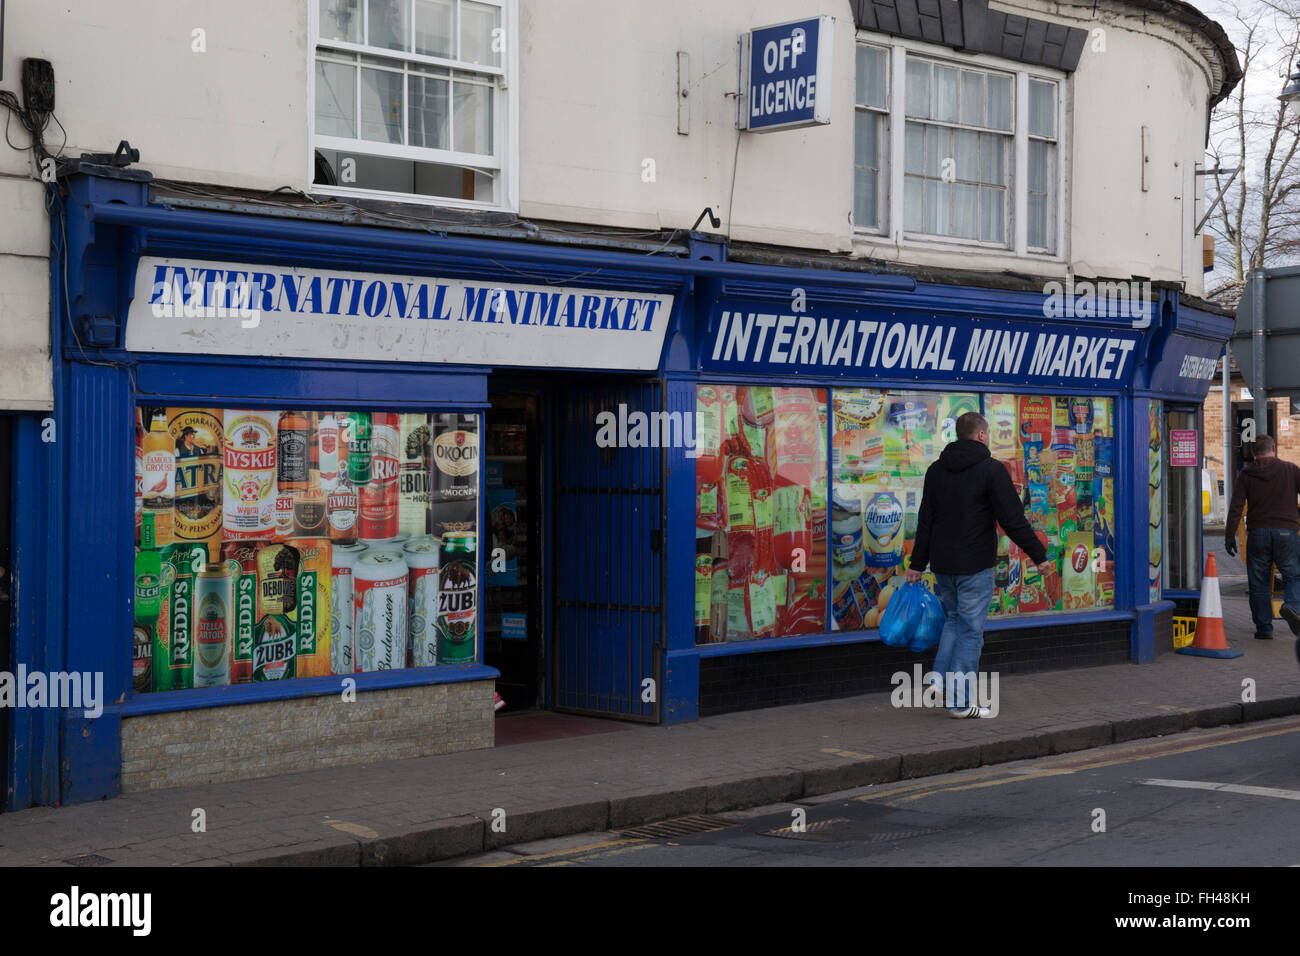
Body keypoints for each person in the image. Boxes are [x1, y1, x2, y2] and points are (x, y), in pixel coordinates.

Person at [908, 412, 1052, 718]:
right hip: (974, 565)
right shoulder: (991, 470)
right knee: (971, 632)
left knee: (954, 621)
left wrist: (917, 564)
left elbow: (925, 522)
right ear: (982, 435)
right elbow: (1013, 520)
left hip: (943, 564)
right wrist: (1038, 556)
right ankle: (960, 703)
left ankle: (939, 680)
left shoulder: (935, 470)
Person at [1224, 434, 1300, 639]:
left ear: (1253, 453)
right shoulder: (1291, 470)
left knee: (1259, 582)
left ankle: (1264, 628)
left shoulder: (1246, 474)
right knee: (1294, 575)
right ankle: (1292, 606)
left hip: (1258, 533)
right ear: (1273, 447)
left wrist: (1229, 535)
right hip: (1287, 531)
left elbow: (1236, 507)